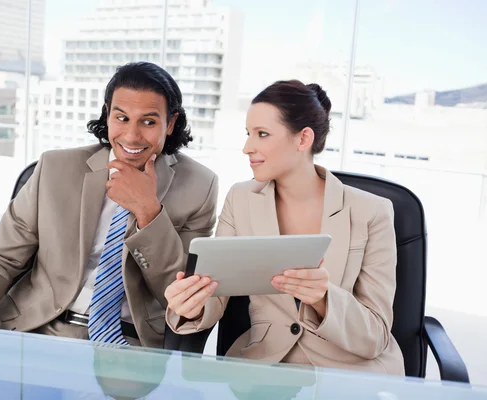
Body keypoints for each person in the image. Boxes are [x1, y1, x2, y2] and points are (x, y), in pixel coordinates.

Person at [0, 62, 219, 348]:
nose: (132, 136)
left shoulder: (199, 187)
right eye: (122, 118)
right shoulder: (55, 168)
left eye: (149, 122)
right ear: (107, 114)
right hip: (34, 328)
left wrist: (148, 213)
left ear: (171, 123)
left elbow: (180, 292)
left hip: (127, 343)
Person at [164, 80, 405, 375]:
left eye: (262, 134)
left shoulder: (372, 211)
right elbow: (216, 291)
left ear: (303, 139)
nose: (247, 147)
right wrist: (192, 304)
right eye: (248, 134)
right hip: (266, 368)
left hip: (349, 372)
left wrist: (323, 299)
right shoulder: (241, 200)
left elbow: (376, 335)